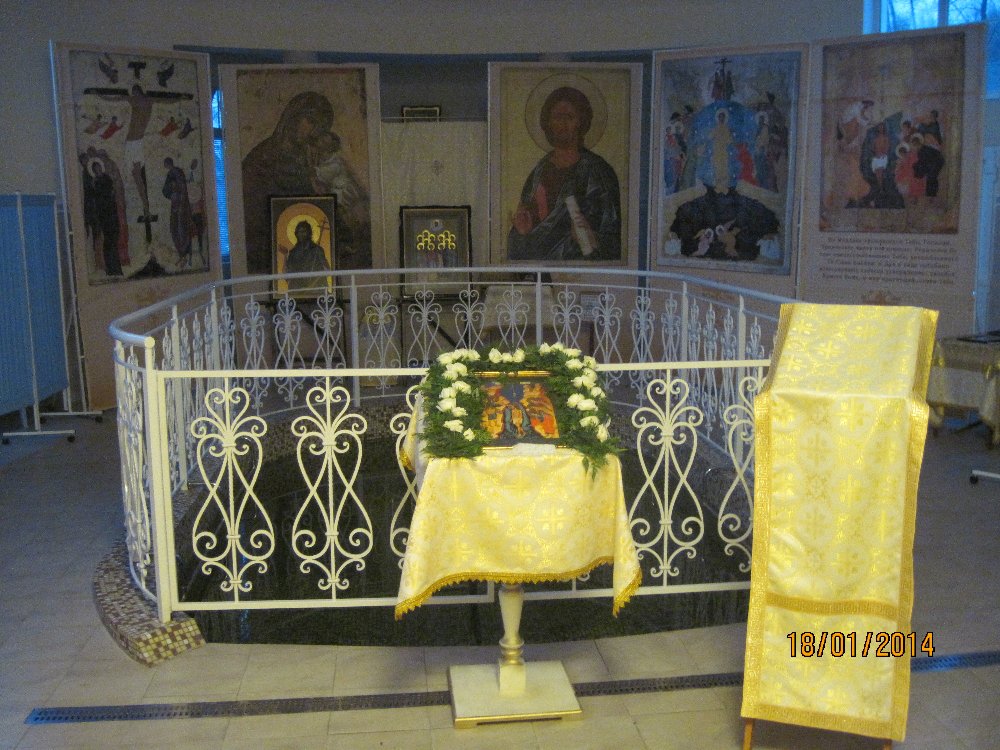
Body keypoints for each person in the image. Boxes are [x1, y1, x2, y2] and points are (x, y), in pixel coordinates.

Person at [507, 86, 621, 262]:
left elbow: (613, 238)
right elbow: (525, 232)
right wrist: (522, 232)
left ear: (580, 122)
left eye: (569, 117)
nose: (562, 124)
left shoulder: (598, 171)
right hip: (540, 270)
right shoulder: (539, 172)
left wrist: (591, 239)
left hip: (580, 269)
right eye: (557, 117)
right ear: (548, 123)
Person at [282, 220, 330, 293]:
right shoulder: (293, 253)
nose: (301, 234)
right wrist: (285, 256)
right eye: (299, 232)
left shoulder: (317, 250)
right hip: (298, 290)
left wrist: (315, 280)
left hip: (315, 288)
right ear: (296, 234)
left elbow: (326, 270)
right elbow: (287, 274)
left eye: (304, 231)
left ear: (309, 233)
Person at [162, 157, 194, 267]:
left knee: (181, 230)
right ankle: (182, 256)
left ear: (167, 164)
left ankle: (184, 256)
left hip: (181, 206)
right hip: (176, 205)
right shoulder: (173, 173)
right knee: (175, 229)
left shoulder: (176, 172)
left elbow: (181, 188)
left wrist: (174, 191)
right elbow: (165, 190)